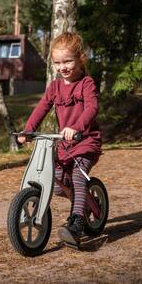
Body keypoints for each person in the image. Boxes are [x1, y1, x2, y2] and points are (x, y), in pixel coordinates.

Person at [18, 32, 102, 245]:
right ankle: (82, 201)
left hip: (85, 140)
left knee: (77, 177)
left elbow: (92, 108)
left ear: (81, 59)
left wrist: (76, 127)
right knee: (55, 182)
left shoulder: (86, 83)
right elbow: (42, 107)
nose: (62, 67)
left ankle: (77, 222)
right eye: (57, 63)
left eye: (68, 61)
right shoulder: (55, 87)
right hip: (65, 144)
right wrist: (28, 130)